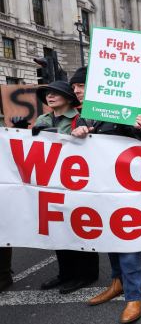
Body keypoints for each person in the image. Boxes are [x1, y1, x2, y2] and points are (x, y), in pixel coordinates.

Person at [72, 108, 141, 324]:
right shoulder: (86, 115)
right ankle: (117, 282)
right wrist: (77, 134)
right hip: (98, 186)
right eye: (76, 87)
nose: (78, 90)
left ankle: (134, 296)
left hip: (125, 186)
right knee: (108, 234)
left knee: (126, 235)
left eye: (81, 86)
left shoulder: (126, 111)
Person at [31, 81, 99, 294]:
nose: (50, 97)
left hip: (77, 181)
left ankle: (86, 274)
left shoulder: (81, 119)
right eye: (48, 94)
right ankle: (65, 273)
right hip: (52, 182)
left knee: (80, 226)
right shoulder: (43, 119)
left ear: (68, 98)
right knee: (59, 228)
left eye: (55, 93)